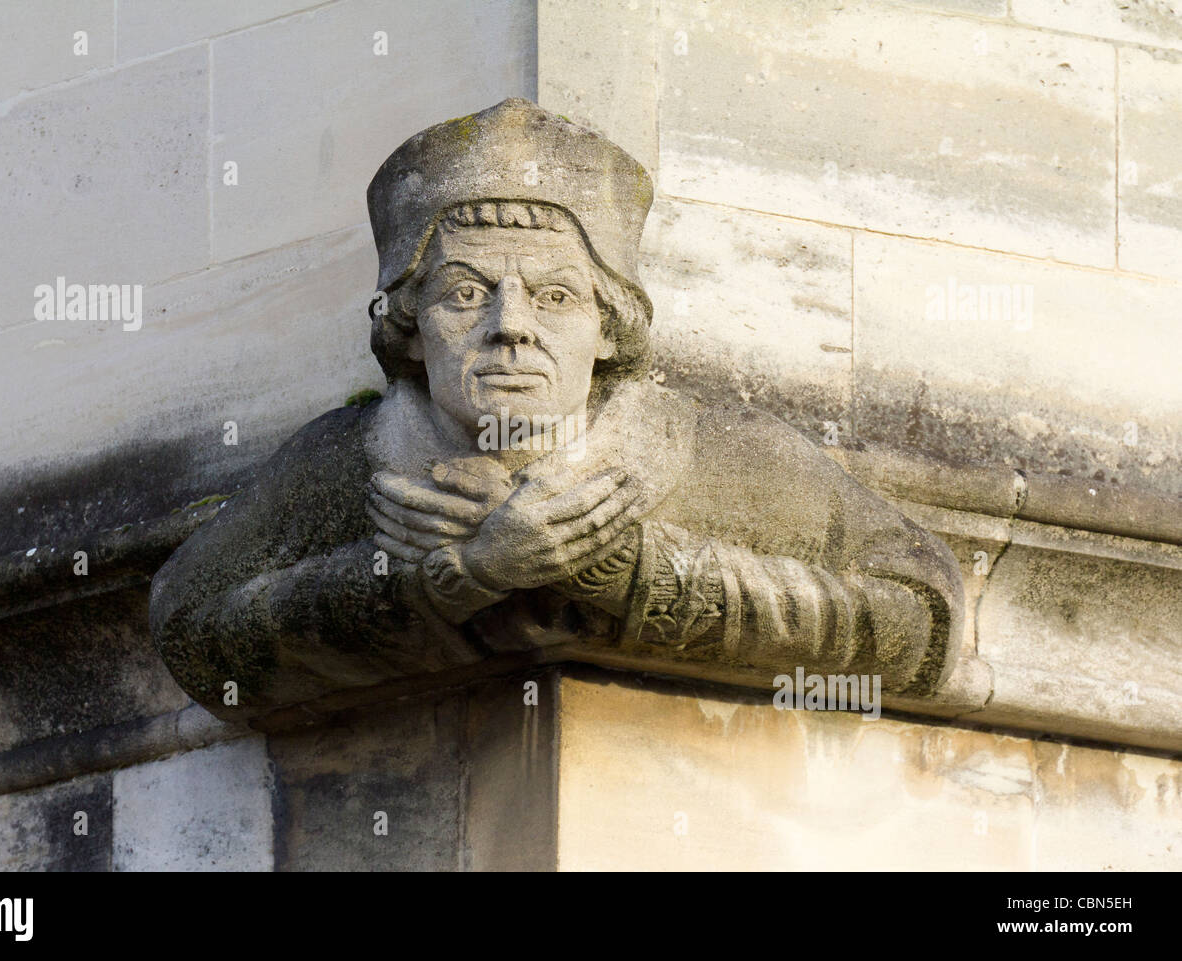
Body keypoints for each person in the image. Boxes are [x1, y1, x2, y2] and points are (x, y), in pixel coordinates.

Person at [150, 99, 963, 718]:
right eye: (466, 292)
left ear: (609, 330)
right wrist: (455, 578)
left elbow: (923, 623)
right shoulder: (345, 466)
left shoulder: (720, 456)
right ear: (409, 327)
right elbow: (189, 629)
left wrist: (623, 564)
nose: (511, 326)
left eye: (556, 295)